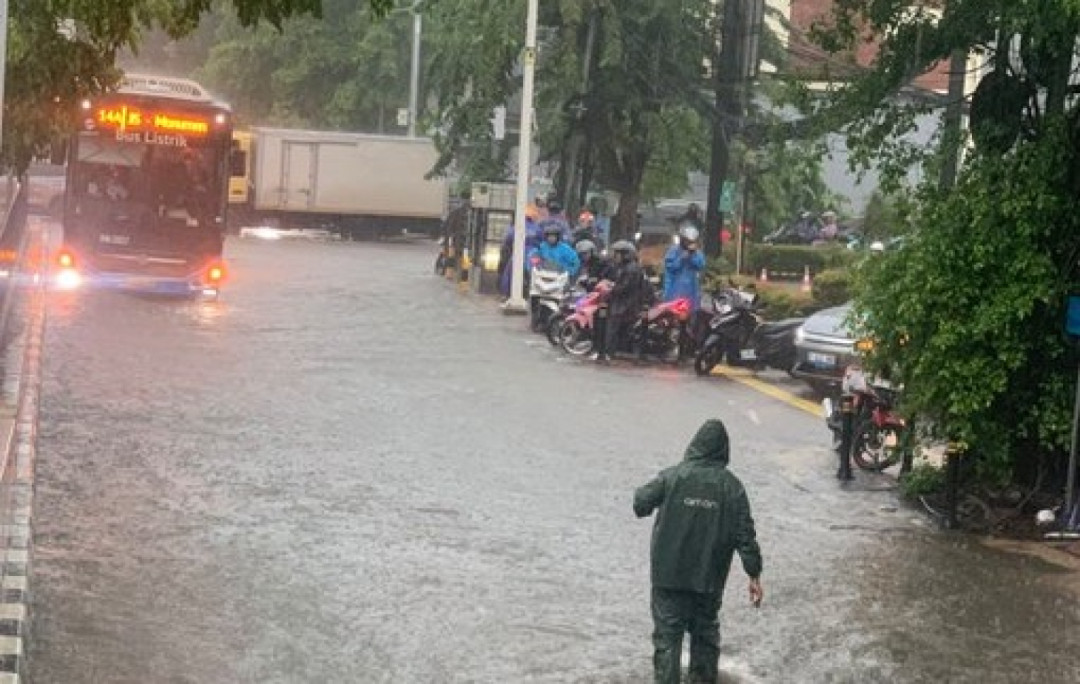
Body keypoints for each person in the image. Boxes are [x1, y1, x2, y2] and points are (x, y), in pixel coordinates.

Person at [633, 419, 764, 684]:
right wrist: (754, 575)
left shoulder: (672, 477)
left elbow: (640, 503)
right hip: (708, 580)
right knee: (705, 637)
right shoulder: (732, 487)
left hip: (669, 577)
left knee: (667, 640)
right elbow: (745, 536)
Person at [594, 240, 652, 362]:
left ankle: (609, 352)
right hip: (627, 302)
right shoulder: (625, 267)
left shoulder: (631, 269)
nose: (615, 256)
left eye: (618, 254)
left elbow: (624, 288)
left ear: (625, 255)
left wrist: (611, 289)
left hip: (626, 304)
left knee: (612, 326)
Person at [663, 224, 706, 311]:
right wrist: (681, 259)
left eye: (691, 241)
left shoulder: (696, 253)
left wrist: (691, 257)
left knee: (691, 314)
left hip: (692, 293)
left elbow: (701, 265)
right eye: (687, 241)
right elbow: (670, 267)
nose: (689, 243)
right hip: (674, 292)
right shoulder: (673, 251)